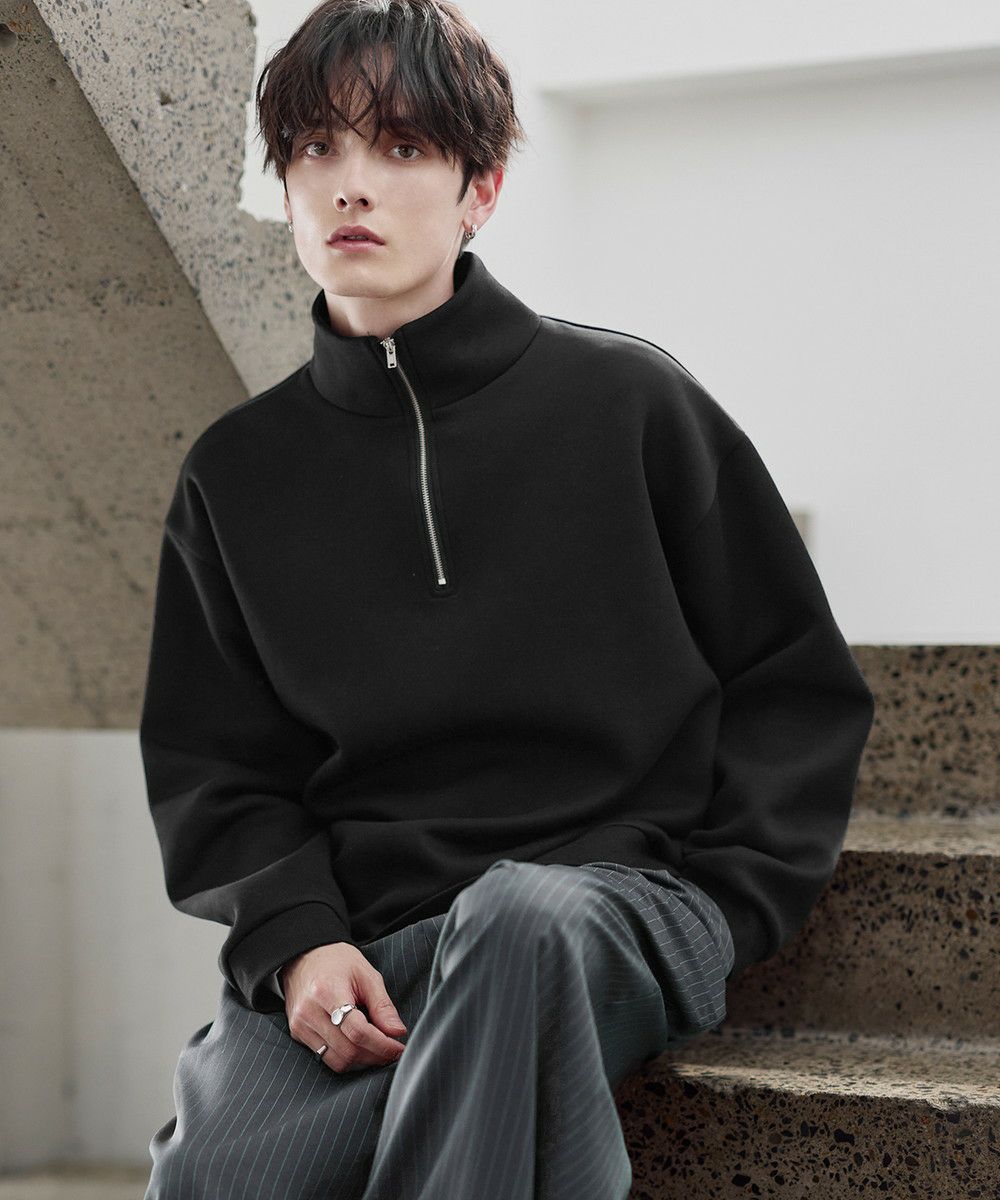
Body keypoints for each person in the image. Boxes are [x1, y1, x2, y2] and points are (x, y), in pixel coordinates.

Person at [138, 2, 876, 1197]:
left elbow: (790, 683)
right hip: (369, 938)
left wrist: (729, 902)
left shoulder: (631, 406)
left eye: (401, 146)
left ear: (478, 190)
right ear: (286, 184)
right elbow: (218, 769)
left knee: (518, 922)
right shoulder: (237, 473)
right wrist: (298, 941)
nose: (351, 184)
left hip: (607, 905)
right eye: (317, 148)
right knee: (214, 1181)